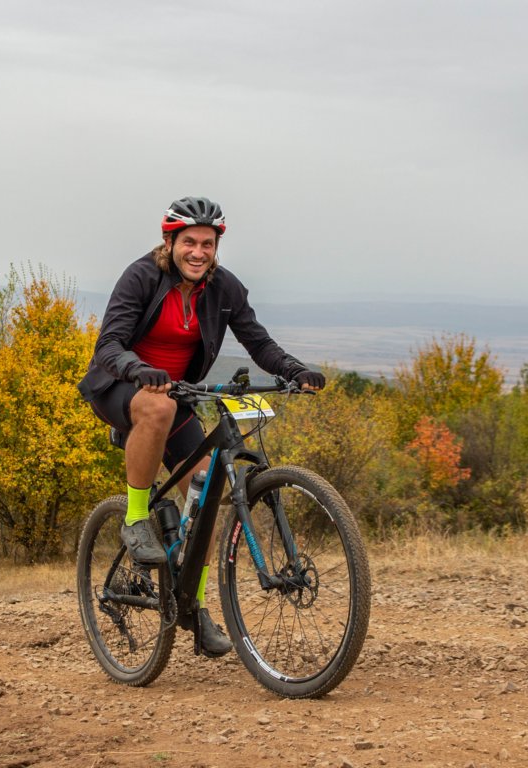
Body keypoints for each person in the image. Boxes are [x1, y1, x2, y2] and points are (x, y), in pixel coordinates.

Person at [78, 195, 325, 657]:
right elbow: (108, 345)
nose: (198, 252)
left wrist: (293, 369)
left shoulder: (224, 288)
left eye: (207, 244)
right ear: (170, 242)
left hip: (176, 397)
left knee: (210, 487)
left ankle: (194, 604)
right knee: (158, 408)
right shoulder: (141, 277)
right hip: (120, 387)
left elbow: (257, 341)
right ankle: (135, 518)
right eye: (189, 242)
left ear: (216, 248)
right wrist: (138, 370)